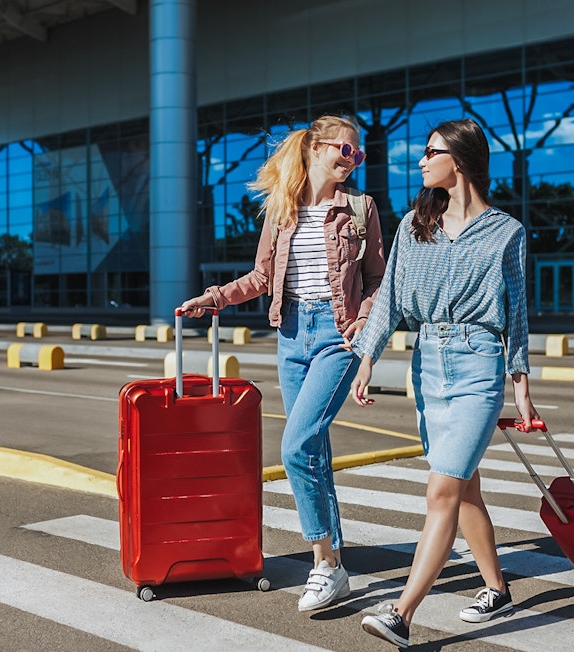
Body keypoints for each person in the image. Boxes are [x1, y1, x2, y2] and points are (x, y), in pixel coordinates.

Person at [178, 115, 386, 613]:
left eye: (359, 153)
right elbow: (261, 276)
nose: (353, 159)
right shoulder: (283, 210)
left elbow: (381, 278)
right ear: (315, 150)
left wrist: (366, 319)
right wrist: (215, 299)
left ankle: (325, 564)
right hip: (291, 335)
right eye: (346, 149)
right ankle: (333, 564)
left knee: (295, 446)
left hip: (338, 337)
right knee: (311, 452)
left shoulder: (360, 208)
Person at [348, 118, 540, 648]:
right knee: (464, 487)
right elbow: (387, 297)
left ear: (458, 160)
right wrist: (367, 358)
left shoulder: (507, 231)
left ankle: (402, 613)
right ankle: (497, 588)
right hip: (428, 363)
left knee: (442, 488)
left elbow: (517, 310)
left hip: (479, 364)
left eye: (431, 152)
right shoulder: (415, 225)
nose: (421, 161)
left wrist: (519, 380)